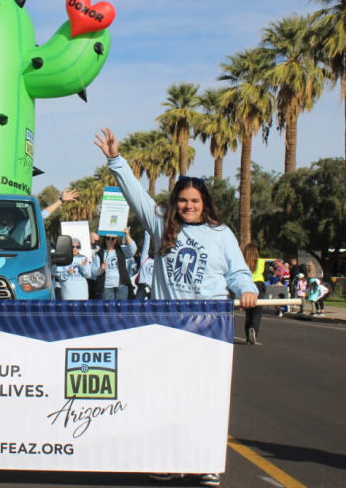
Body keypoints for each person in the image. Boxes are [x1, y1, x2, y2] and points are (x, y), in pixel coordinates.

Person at [95, 127, 256, 488]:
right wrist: (115, 160)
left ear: (205, 203)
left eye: (195, 201)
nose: (189, 206)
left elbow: (238, 271)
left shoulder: (222, 233)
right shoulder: (161, 223)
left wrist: (246, 289)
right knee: (168, 395)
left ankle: (207, 463)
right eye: (183, 200)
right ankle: (172, 459)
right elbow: (135, 194)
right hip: (168, 326)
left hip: (209, 327)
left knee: (207, 398)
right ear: (175, 202)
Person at [91, 228, 137, 300]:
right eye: (108, 238)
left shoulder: (121, 250)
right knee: (108, 310)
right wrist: (100, 269)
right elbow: (93, 270)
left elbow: (132, 250)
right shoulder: (99, 254)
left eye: (113, 239)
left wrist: (127, 235)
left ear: (116, 240)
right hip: (106, 287)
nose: (110, 241)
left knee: (121, 309)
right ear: (104, 240)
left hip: (122, 286)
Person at [242, 243, 266, 345]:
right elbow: (266, 275)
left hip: (247, 284)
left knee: (249, 312)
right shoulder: (261, 262)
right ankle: (254, 329)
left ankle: (248, 336)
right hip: (259, 284)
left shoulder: (243, 262)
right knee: (257, 312)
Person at [134, 231, 155, 300]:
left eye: (155, 250)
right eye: (153, 250)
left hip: (153, 287)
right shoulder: (145, 259)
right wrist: (147, 230)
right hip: (143, 285)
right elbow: (146, 244)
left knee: (154, 307)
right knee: (136, 304)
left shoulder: (159, 262)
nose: (154, 252)